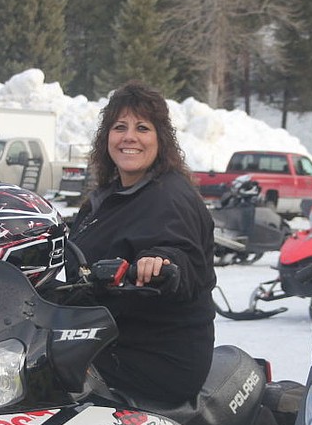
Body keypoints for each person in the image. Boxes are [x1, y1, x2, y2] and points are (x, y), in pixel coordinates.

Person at [66, 80, 217, 405]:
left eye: (142, 128)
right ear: (107, 137)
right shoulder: (108, 196)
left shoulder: (171, 196)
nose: (129, 137)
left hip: (153, 356)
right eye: (119, 127)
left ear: (160, 139)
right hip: (101, 341)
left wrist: (160, 263)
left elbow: (182, 254)